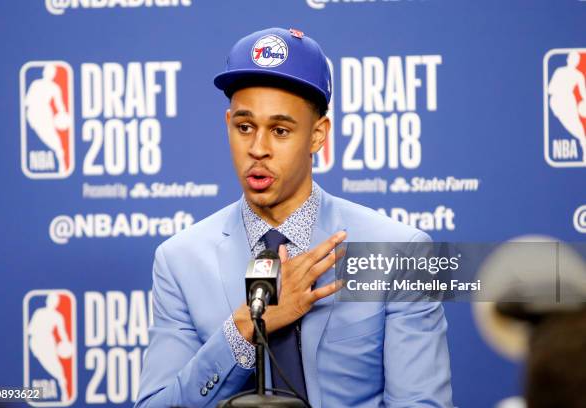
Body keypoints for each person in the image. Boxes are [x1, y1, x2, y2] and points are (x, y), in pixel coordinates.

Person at [136, 27, 452, 408]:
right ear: (228, 126)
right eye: (245, 127)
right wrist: (246, 329)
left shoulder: (398, 252)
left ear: (318, 136)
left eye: (280, 130)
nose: (258, 149)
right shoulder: (180, 261)